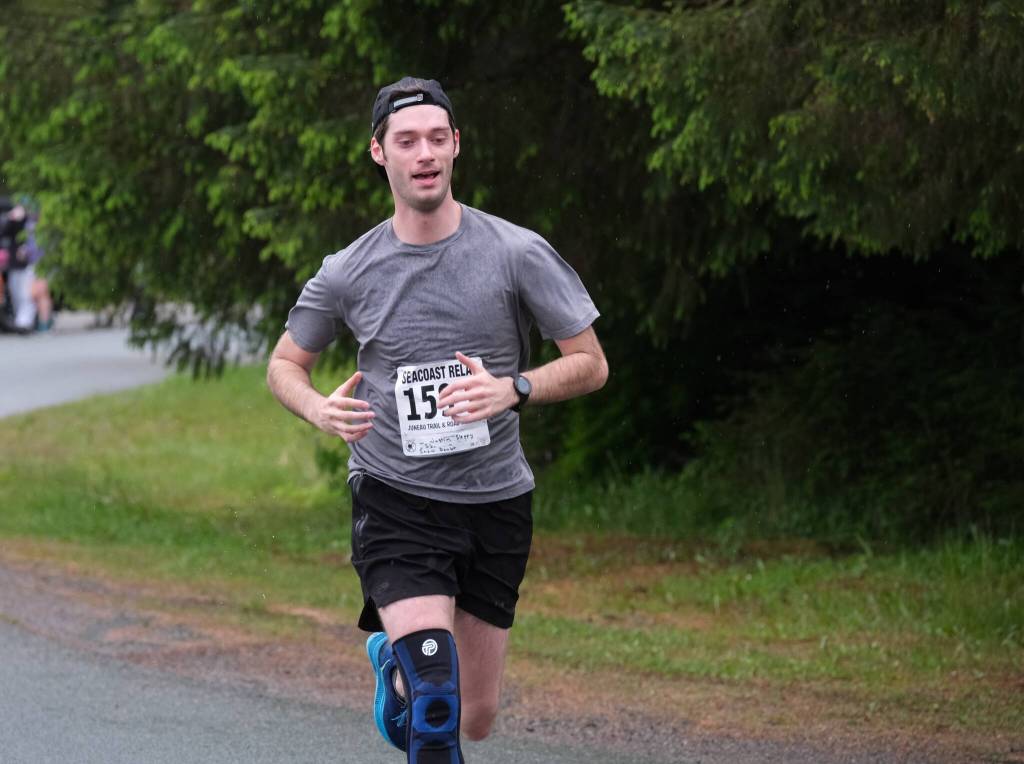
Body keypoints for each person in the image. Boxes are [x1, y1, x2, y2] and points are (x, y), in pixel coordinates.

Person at [266, 77, 607, 762]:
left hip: (495, 502)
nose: (423, 153)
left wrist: (515, 387)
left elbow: (592, 363)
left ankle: (391, 665)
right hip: (396, 498)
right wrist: (317, 408)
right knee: (436, 702)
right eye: (406, 141)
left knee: (472, 718)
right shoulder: (348, 270)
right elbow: (284, 364)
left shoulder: (515, 253)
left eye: (435, 139)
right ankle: (415, 675)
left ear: (455, 147)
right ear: (379, 153)